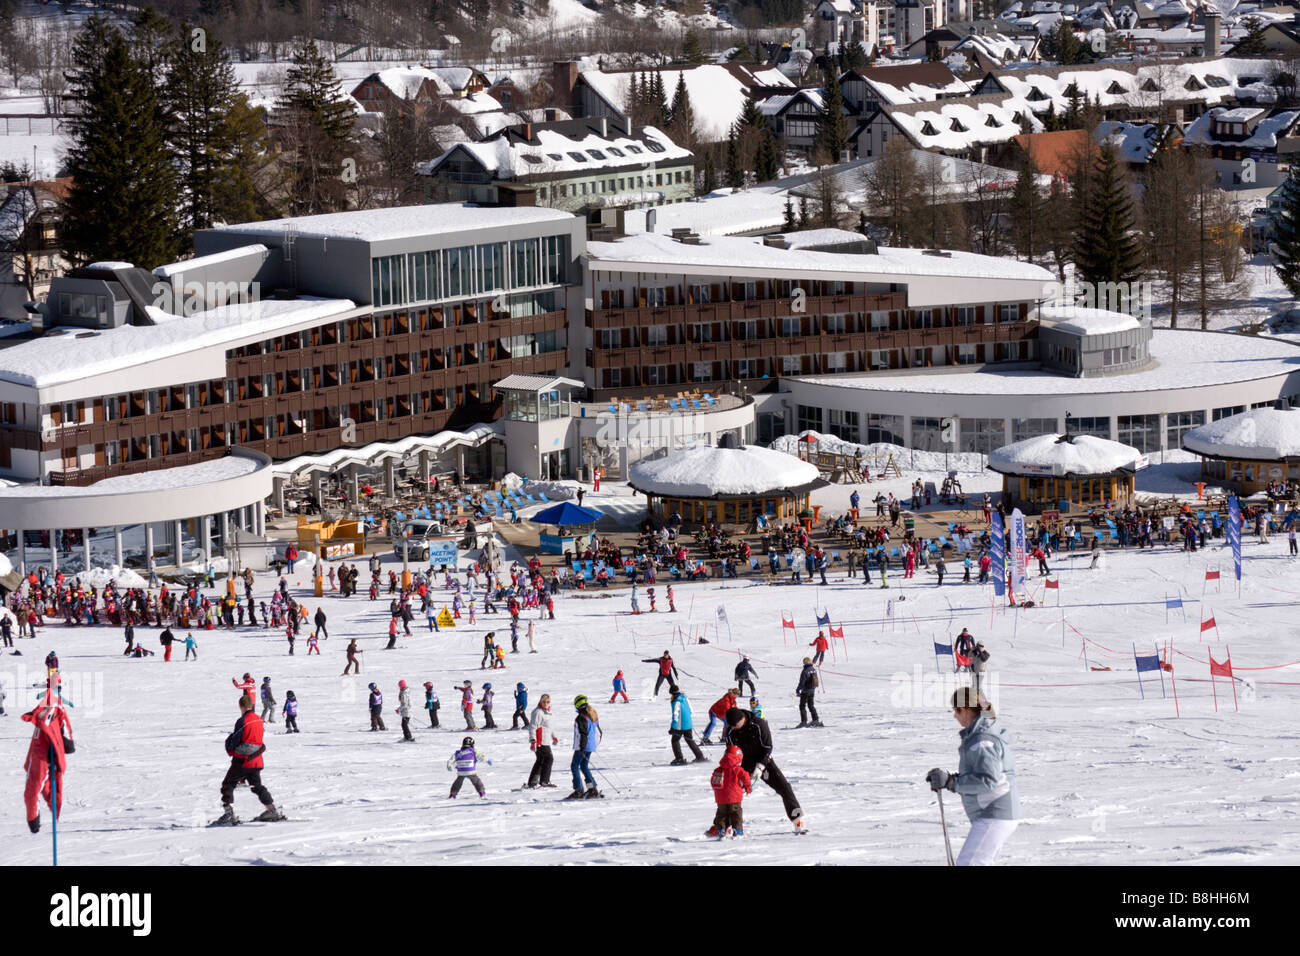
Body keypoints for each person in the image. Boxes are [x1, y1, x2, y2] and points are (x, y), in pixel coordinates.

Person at [926, 686, 1020, 866]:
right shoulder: (981, 734)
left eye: (957, 710)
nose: (955, 716)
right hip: (995, 813)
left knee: (971, 862)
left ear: (967, 710)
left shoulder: (982, 740)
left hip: (995, 812)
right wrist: (949, 779)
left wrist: (952, 782)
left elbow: (987, 781)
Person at [725, 707, 804, 830]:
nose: (733, 728)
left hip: (763, 760)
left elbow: (767, 747)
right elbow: (730, 753)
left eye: (735, 725)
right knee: (730, 793)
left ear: (742, 719)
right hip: (743, 764)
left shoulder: (758, 724)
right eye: (731, 726)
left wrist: (760, 767)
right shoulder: (731, 731)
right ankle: (722, 825)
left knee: (785, 788)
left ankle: (797, 820)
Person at [212, 694, 284, 825]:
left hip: (243, 760)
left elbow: (235, 740)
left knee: (228, 784)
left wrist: (229, 745)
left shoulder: (243, 720)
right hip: (256, 760)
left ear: (241, 706)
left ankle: (229, 814)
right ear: (252, 705)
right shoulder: (258, 720)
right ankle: (272, 810)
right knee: (257, 786)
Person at [707, 745, 753, 838]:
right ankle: (738, 830)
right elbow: (746, 778)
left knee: (721, 814)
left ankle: (721, 830)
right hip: (735, 798)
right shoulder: (738, 770)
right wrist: (748, 787)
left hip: (721, 799)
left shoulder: (718, 770)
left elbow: (713, 782)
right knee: (736, 814)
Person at [566, 695, 603, 799]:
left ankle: (578, 790)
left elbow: (583, 734)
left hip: (582, 746)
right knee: (583, 766)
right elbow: (598, 732)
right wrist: (594, 745)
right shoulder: (592, 714)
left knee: (574, 766)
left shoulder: (581, 717)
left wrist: (581, 748)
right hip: (590, 745)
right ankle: (592, 789)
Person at [526, 693, 560, 789]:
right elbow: (532, 727)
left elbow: (549, 727)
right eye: (544, 701)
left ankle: (532, 782)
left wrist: (554, 737)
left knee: (540, 760)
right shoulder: (538, 712)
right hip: (539, 741)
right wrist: (533, 740)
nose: (546, 703)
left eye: (548, 702)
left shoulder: (548, 713)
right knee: (549, 759)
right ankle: (544, 780)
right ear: (540, 701)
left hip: (546, 740)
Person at [668, 685, 707, 765]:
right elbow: (691, 710)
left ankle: (679, 758)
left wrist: (672, 727)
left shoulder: (676, 702)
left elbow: (675, 715)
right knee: (689, 740)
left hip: (680, 725)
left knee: (675, 740)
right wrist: (687, 721)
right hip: (688, 723)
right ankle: (700, 756)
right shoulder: (685, 698)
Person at [796, 658, 821, 728]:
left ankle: (804, 721)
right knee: (811, 705)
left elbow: (802, 682)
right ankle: (815, 719)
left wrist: (798, 690)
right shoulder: (813, 669)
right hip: (812, 690)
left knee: (802, 706)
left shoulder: (805, 671)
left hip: (805, 691)